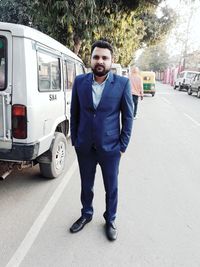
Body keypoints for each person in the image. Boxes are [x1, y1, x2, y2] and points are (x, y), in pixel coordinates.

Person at [70, 40, 133, 241]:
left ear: (111, 61)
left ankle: (110, 219)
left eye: (104, 58)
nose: (100, 61)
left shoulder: (122, 84)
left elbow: (128, 117)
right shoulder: (80, 82)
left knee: (111, 186)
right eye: (96, 56)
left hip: (111, 148)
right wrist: (76, 141)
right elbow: (75, 112)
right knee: (86, 184)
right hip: (85, 147)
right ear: (91, 59)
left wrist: (122, 146)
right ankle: (86, 214)